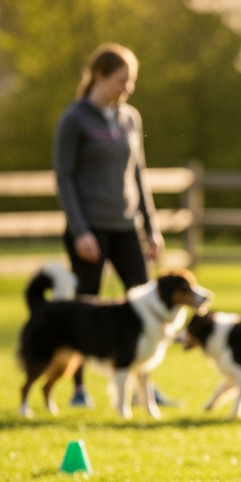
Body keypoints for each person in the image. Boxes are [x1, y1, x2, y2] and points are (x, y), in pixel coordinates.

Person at [54, 42, 176, 408]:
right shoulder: (74, 120)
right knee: (83, 312)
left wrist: (151, 227)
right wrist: (80, 232)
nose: (128, 88)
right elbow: (64, 179)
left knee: (148, 310)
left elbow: (139, 175)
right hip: (90, 230)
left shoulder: (130, 119)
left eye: (132, 81)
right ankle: (78, 388)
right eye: (122, 80)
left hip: (126, 228)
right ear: (99, 76)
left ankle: (145, 391)